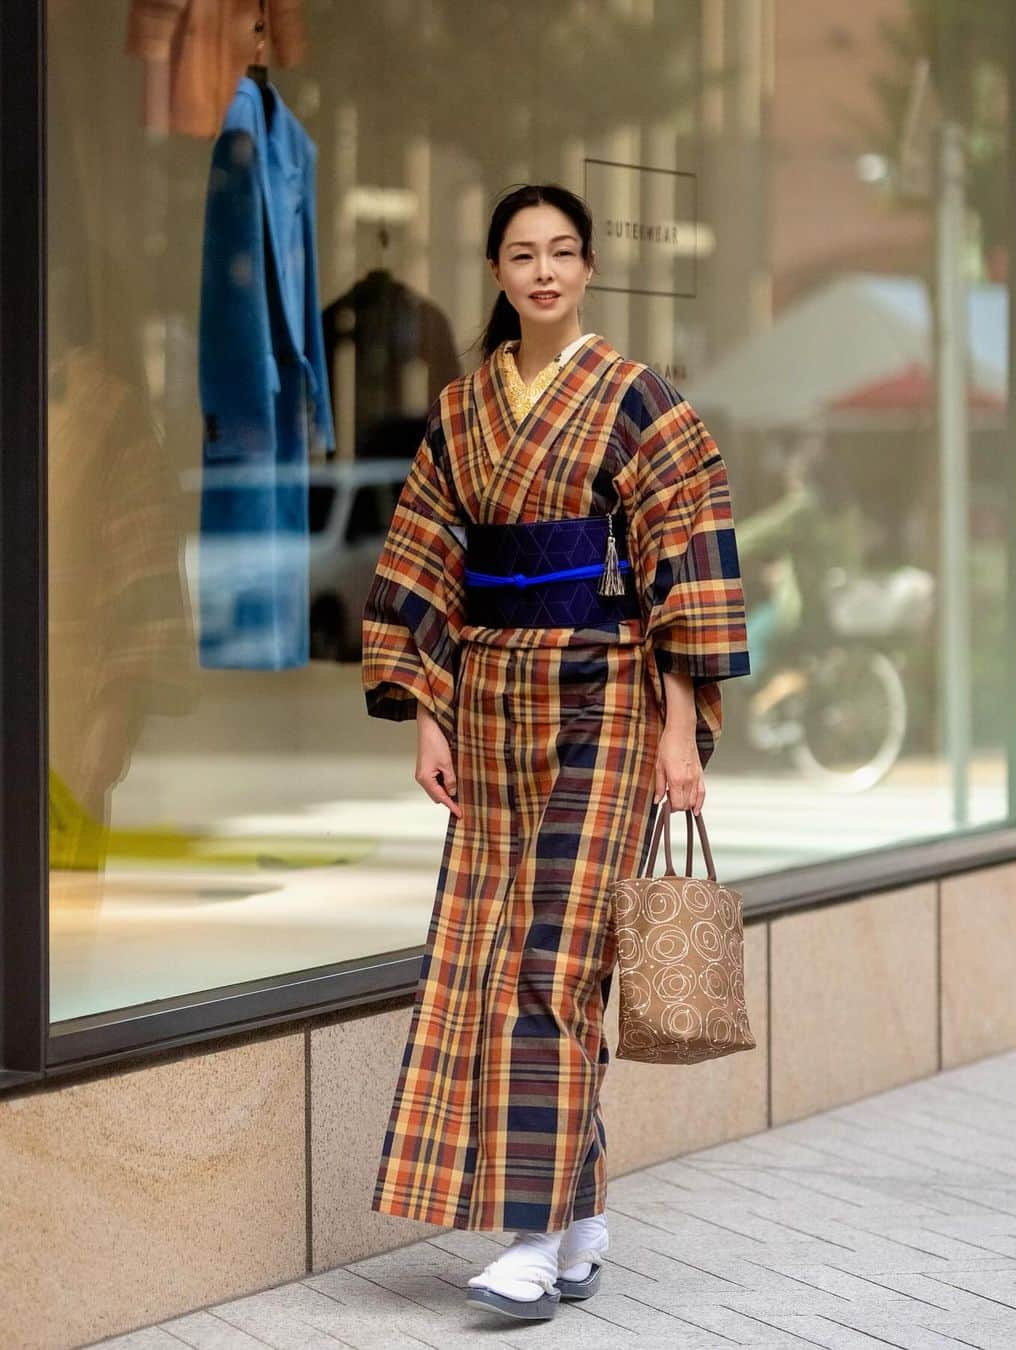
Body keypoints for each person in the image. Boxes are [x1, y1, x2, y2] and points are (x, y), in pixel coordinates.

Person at [360, 182, 751, 1323]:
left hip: (608, 707)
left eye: (562, 252)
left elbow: (686, 560)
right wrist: (427, 709)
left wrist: (681, 734)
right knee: (493, 956)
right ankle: (581, 1223)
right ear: (496, 273)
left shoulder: (638, 400)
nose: (542, 271)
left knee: (554, 964)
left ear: (586, 270)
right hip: (488, 707)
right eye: (522, 254)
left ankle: (529, 1241)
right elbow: (425, 557)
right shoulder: (461, 407)